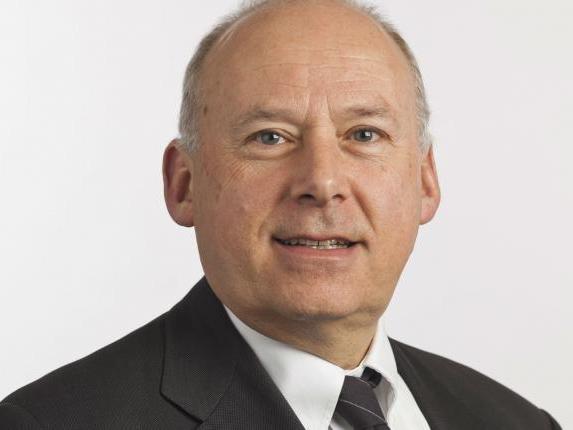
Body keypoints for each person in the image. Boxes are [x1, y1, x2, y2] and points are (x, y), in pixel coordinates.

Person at [0, 0, 562, 429]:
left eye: (364, 134)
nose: (322, 182)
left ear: (425, 181)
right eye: (269, 137)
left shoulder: (516, 421)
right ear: (184, 184)